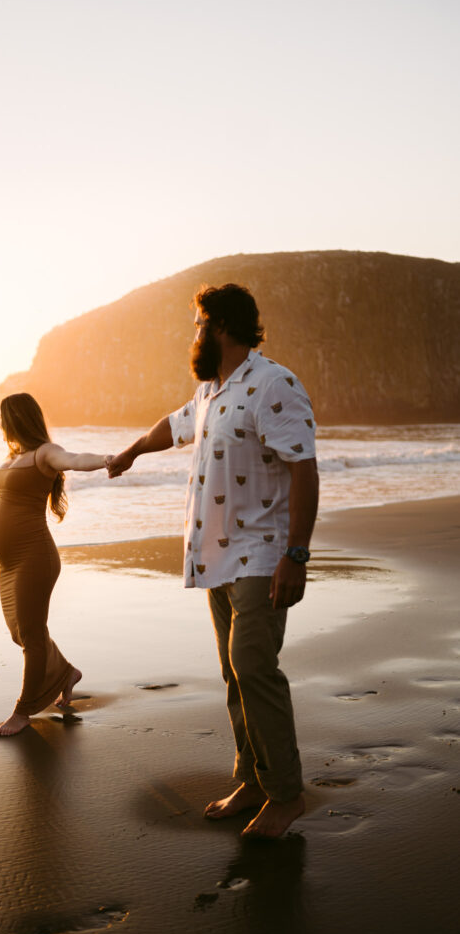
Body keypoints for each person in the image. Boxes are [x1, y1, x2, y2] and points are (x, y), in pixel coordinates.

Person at [107, 284, 319, 838]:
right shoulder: (212, 391)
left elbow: (303, 468)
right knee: (234, 674)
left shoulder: (273, 383)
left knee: (253, 667)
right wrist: (131, 450)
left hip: (263, 554)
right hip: (216, 557)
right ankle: (252, 778)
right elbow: (173, 425)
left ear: (221, 324)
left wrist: (296, 556)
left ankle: (286, 794)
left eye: (198, 322)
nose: (193, 333)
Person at [0, 392, 112, 737]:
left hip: (34, 557)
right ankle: (65, 673)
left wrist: (107, 459)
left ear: (17, 418)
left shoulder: (44, 453)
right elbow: (5, 504)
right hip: (9, 561)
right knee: (20, 632)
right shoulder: (15, 456)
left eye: (2, 417)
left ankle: (23, 712)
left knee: (32, 635)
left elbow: (75, 459)